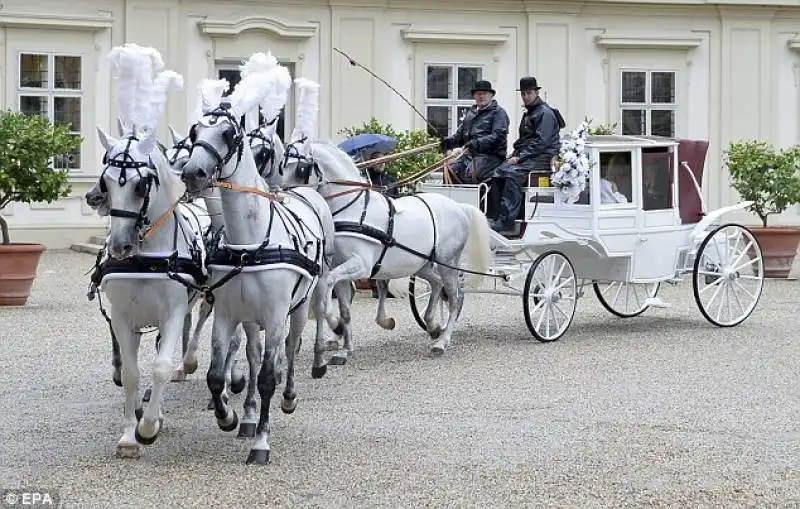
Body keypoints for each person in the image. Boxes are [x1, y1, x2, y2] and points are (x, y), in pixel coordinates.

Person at [487, 76, 564, 232]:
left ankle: (507, 221)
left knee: (512, 174)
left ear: (536, 93)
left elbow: (541, 142)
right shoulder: (530, 112)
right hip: (530, 155)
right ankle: (496, 216)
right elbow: (524, 140)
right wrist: (513, 154)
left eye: (529, 93)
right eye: (523, 94)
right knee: (497, 172)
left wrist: (519, 157)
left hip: (544, 156)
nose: (526, 96)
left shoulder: (544, 113)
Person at [440, 80, 509, 184]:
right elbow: (460, 137)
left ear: (491, 96)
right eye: (478, 94)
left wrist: (477, 143)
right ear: (474, 96)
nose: (481, 96)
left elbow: (498, 137)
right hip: (469, 157)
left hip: (491, 157)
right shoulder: (470, 114)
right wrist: (448, 142)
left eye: (484, 93)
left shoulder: (499, 113)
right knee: (450, 171)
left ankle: (476, 198)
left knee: (470, 173)